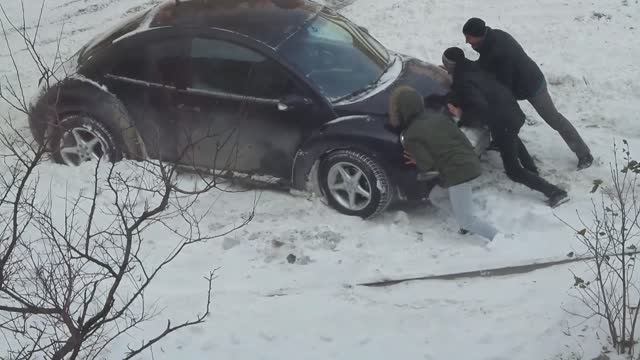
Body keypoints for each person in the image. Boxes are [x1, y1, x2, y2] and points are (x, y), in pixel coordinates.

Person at [442, 47, 569, 208]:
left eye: (445, 64)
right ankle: (532, 170)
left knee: (513, 170)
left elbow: (479, 108)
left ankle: (555, 192)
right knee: (512, 136)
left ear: (450, 65)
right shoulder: (472, 67)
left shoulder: (463, 81)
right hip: (512, 110)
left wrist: (461, 113)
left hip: (502, 121)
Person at [462, 17, 593, 170]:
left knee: (553, 118)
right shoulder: (491, 39)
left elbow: (503, 81)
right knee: (499, 110)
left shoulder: (499, 50)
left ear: (478, 34)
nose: (467, 41)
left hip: (532, 85)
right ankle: (500, 140)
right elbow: (486, 63)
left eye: (469, 37)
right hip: (516, 82)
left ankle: (584, 154)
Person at [389, 85, 500, 242]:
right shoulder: (437, 116)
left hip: (457, 172)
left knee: (467, 220)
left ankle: (499, 238)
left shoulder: (411, 134)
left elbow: (427, 165)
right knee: (436, 197)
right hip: (468, 160)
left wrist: (416, 160)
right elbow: (459, 137)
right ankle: (465, 222)